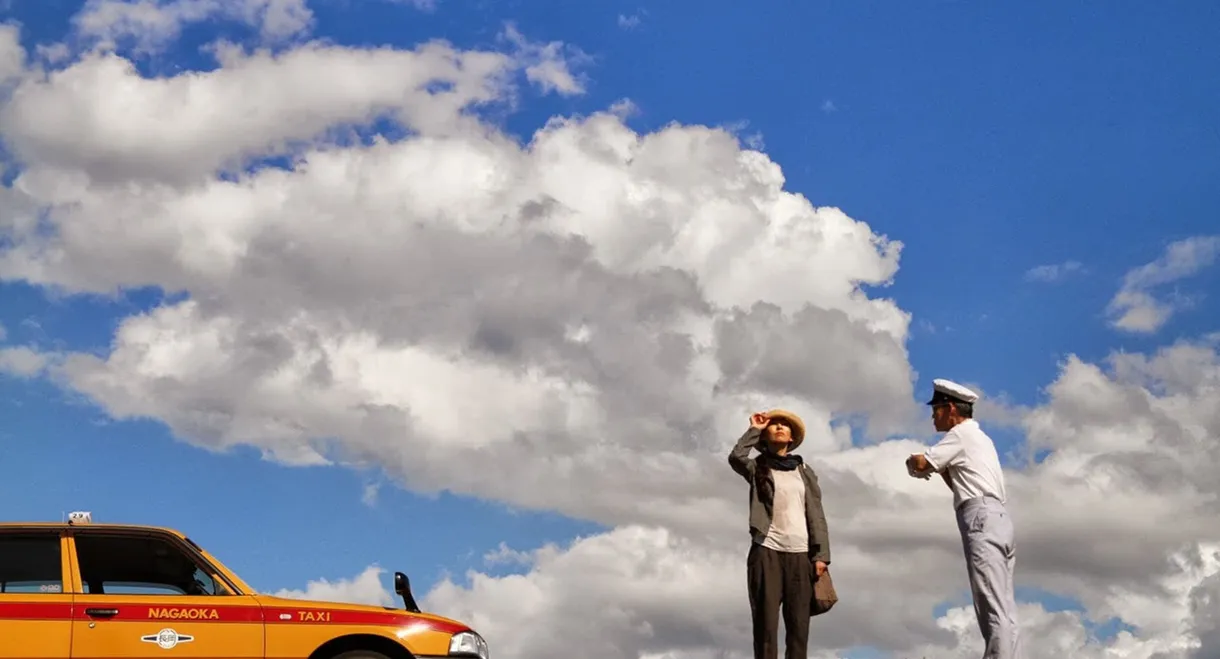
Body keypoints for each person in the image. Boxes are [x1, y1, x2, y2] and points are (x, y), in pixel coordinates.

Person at [906, 379, 1022, 659]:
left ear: (950, 409)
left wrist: (913, 462)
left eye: (936, 409)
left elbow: (922, 463)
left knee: (991, 605)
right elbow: (960, 480)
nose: (933, 415)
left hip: (980, 516)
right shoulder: (981, 438)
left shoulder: (959, 435)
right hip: (997, 517)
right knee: (1005, 606)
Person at [728, 408, 831, 659]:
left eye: (785, 425)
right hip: (766, 552)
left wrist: (821, 555)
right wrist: (754, 429)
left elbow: (816, 513)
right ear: (766, 436)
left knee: (798, 628)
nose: (780, 428)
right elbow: (736, 457)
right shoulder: (757, 468)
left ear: (792, 437)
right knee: (765, 626)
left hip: (801, 555)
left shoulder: (804, 471)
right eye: (775, 425)